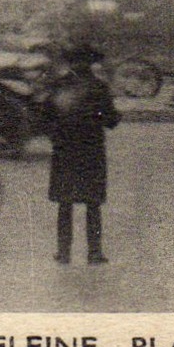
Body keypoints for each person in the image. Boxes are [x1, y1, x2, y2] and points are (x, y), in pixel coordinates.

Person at [46, 42, 121, 264]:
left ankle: (63, 253)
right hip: (91, 151)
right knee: (92, 204)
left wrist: (56, 136)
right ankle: (95, 252)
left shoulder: (59, 86)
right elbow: (111, 121)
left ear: (70, 63)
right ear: (91, 63)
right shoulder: (99, 88)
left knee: (65, 203)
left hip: (65, 150)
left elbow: (45, 116)